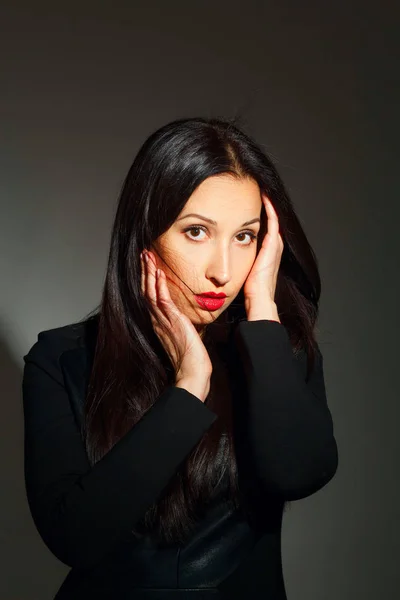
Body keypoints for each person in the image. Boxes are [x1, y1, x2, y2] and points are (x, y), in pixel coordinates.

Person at [22, 116, 339, 599]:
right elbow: (75, 537)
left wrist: (263, 312)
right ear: (144, 234)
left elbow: (297, 473)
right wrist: (189, 386)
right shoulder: (61, 358)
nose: (223, 271)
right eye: (196, 232)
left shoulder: (274, 345)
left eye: (244, 236)